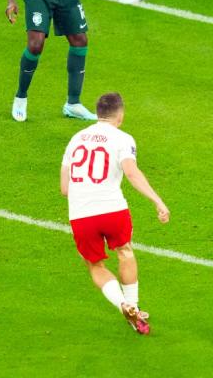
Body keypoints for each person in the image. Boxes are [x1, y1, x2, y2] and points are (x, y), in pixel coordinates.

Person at [60, 92, 170, 335]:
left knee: (96, 266)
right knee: (125, 252)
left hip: (81, 214)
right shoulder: (123, 138)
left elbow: (65, 188)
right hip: (113, 210)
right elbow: (131, 173)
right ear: (120, 115)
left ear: (98, 113)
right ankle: (133, 305)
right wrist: (157, 201)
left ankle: (123, 305)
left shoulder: (75, 139)